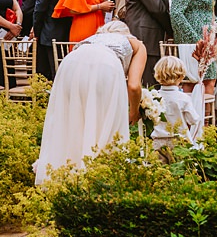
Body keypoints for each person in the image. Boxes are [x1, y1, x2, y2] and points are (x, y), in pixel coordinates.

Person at [33, 20, 147, 185]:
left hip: (69, 65)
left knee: (71, 121)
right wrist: (134, 111)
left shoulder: (91, 40)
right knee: (106, 124)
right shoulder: (136, 44)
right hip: (107, 67)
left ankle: (63, 176)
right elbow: (134, 86)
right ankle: (98, 176)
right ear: (126, 33)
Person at [150, 56, 202, 158]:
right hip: (179, 141)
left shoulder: (153, 97)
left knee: (160, 170)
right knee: (181, 169)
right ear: (181, 77)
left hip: (158, 140)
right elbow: (193, 120)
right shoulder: (183, 98)